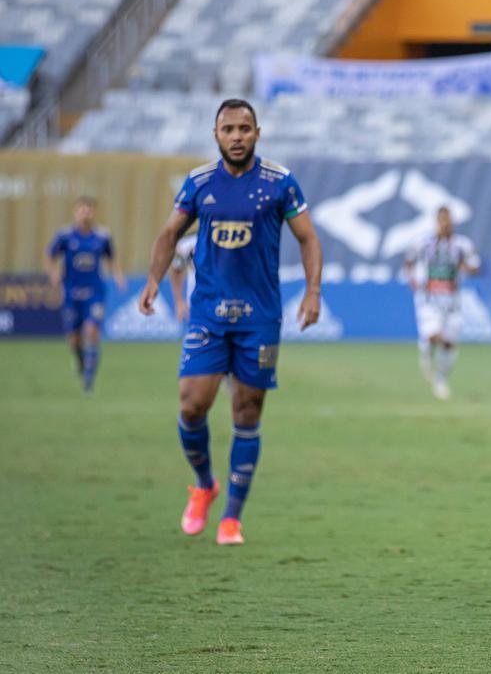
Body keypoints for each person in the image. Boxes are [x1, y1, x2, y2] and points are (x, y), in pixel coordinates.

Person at [138, 98, 323, 546]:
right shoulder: (200, 183)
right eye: (228, 129)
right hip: (208, 313)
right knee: (191, 404)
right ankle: (204, 484)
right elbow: (168, 235)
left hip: (260, 316)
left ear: (257, 133)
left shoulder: (280, 183)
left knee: (247, 410)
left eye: (244, 128)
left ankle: (232, 518)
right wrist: (153, 281)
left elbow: (308, 238)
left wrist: (313, 291)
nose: (237, 136)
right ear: (216, 135)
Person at [44, 196, 127, 392]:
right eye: (81, 210)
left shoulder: (102, 236)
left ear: (94, 212)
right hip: (71, 293)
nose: (85, 213)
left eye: (88, 210)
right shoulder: (65, 236)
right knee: (73, 338)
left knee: (91, 331)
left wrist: (118, 276)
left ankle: (89, 378)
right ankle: (80, 361)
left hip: (95, 293)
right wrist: (53, 272)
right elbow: (50, 255)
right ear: (75, 212)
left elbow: (112, 258)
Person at [403, 206, 481, 400]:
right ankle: (427, 350)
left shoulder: (462, 244)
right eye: (441, 220)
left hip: (452, 301)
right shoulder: (423, 243)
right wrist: (411, 280)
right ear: (436, 222)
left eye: (448, 220)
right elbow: (408, 262)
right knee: (435, 334)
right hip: (428, 298)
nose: (445, 224)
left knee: (449, 343)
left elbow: (475, 267)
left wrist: (465, 267)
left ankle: (441, 379)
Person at [168, 231, 199, 323]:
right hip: (196, 303)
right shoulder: (187, 243)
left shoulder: (230, 240)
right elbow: (176, 270)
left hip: (227, 302)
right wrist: (179, 302)